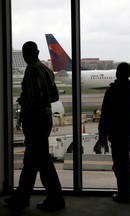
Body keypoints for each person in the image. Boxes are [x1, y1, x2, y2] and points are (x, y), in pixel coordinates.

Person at [5, 41, 65, 211]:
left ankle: (55, 198)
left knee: (41, 161)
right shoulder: (46, 69)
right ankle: (22, 197)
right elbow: (53, 97)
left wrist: (24, 100)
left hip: (35, 119)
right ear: (38, 51)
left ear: (25, 55)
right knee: (31, 160)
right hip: (45, 117)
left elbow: (36, 96)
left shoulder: (31, 69)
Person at [97, 62, 130, 203]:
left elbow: (105, 116)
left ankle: (124, 192)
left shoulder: (112, 91)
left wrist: (102, 136)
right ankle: (128, 189)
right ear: (129, 74)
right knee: (125, 161)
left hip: (116, 132)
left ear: (117, 73)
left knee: (119, 164)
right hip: (129, 131)